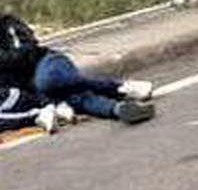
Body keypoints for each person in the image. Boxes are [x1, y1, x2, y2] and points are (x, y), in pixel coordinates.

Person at [0, 13, 155, 125]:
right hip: (33, 88)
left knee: (48, 82)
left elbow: (27, 54)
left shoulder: (8, 24)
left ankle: (118, 86)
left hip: (47, 64)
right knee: (72, 98)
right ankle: (119, 109)